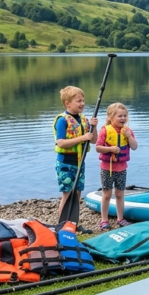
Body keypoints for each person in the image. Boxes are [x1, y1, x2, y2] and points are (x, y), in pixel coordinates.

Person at [53, 86, 98, 221]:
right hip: (65, 163)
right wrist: (83, 138)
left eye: (83, 100)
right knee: (67, 195)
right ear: (68, 103)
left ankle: (73, 224)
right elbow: (60, 143)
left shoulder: (84, 120)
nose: (82, 103)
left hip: (79, 162)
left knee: (78, 194)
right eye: (79, 101)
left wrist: (94, 127)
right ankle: (62, 224)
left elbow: (94, 140)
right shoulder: (62, 120)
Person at [94, 103, 138, 231]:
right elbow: (97, 148)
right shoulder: (105, 130)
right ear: (111, 117)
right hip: (107, 168)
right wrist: (110, 149)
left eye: (125, 116)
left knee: (120, 194)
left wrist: (129, 137)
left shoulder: (128, 131)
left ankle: (120, 218)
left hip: (122, 168)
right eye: (120, 116)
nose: (123, 118)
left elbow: (134, 147)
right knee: (106, 194)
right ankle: (104, 220)